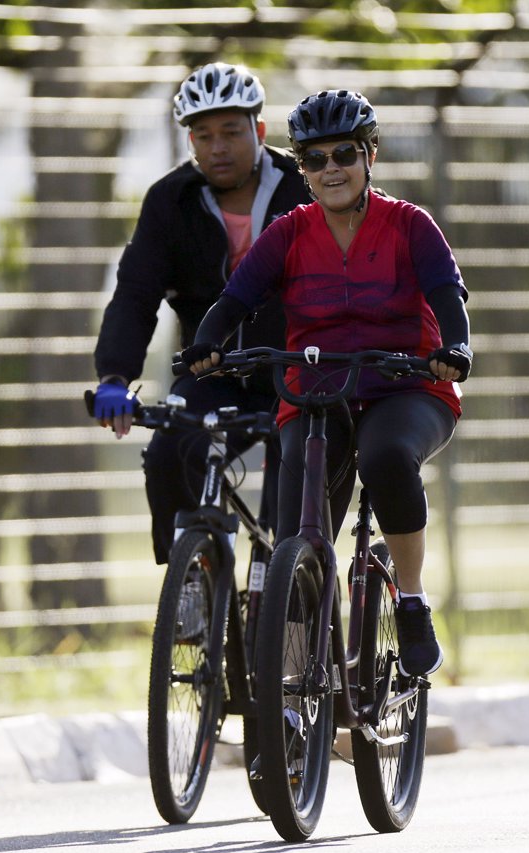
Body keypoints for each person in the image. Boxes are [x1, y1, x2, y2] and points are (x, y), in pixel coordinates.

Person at [182, 89, 473, 677]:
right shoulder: (289, 233)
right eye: (314, 159)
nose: (331, 169)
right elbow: (235, 299)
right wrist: (208, 344)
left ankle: (411, 600)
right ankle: (288, 702)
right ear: (302, 170)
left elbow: (446, 293)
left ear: (370, 157)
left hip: (406, 385)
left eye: (344, 154)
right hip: (316, 390)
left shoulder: (410, 225)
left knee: (387, 454)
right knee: (297, 534)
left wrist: (454, 346)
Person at [91, 62, 314, 565]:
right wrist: (114, 374)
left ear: (258, 130)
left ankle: (291, 603)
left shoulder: (305, 190)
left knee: (291, 518)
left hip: (297, 373)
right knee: (171, 451)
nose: (217, 147)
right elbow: (135, 293)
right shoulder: (170, 201)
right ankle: (194, 580)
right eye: (203, 135)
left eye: (232, 132)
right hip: (210, 371)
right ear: (190, 141)